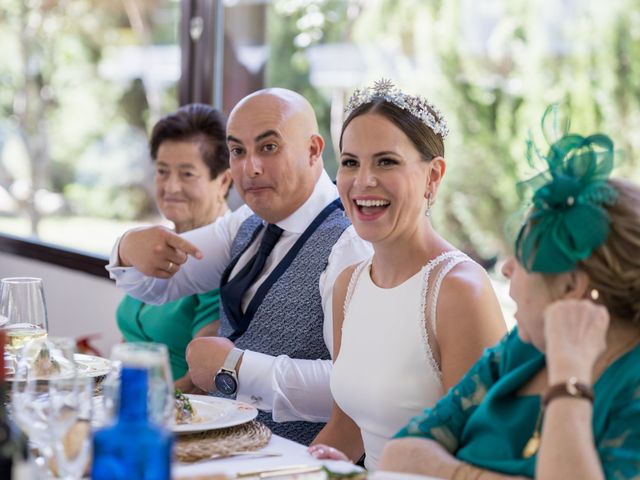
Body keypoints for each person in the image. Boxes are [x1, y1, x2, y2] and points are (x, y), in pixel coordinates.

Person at [378, 110, 640, 479]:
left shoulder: (632, 383)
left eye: (523, 255)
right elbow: (400, 453)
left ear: (571, 286)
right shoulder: (522, 349)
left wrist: (569, 378)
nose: (506, 268)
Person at [107, 88, 372, 444]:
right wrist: (126, 246)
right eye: (237, 151)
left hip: (287, 460)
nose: (251, 167)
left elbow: (355, 387)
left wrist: (237, 368)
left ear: (313, 150)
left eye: (268, 147)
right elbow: (155, 285)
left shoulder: (350, 243)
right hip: (216, 447)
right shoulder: (245, 223)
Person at [307, 80, 507, 470]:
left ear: (433, 176)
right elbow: (346, 428)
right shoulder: (348, 284)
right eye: (350, 162)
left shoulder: (458, 291)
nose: (363, 181)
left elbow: (484, 456)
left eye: (386, 161)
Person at [116, 103, 232, 393]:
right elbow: (130, 342)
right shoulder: (156, 247)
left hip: (183, 418)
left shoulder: (222, 259)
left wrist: (135, 408)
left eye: (187, 174)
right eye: (162, 171)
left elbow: (201, 382)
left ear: (224, 181)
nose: (171, 187)